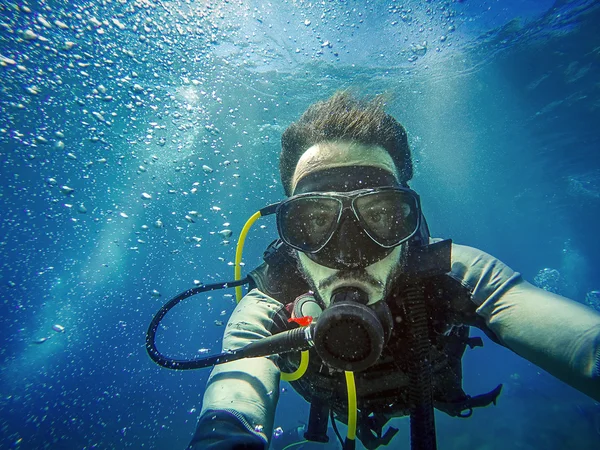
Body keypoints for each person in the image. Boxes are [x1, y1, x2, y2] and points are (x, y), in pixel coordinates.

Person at [187, 92, 600, 450]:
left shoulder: (451, 271)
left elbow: (583, 345)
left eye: (382, 215)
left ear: (409, 221)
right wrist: (223, 435)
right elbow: (238, 379)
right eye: (315, 221)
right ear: (290, 228)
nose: (349, 255)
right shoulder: (275, 292)